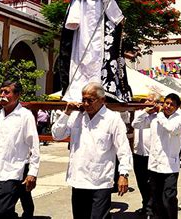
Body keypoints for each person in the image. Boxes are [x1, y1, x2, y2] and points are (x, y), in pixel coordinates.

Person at [59, 0, 133, 103]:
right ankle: (76, 90)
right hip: (82, 28)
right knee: (79, 57)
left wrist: (118, 18)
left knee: (97, 56)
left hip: (101, 29)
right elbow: (76, 2)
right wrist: (73, 20)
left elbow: (108, 1)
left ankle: (99, 90)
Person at [51, 82, 132, 219]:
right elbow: (57, 135)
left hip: (100, 180)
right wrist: (67, 113)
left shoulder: (113, 119)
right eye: (84, 100)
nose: (86, 104)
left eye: (90, 100)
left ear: (102, 100)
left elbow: (123, 148)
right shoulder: (77, 116)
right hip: (78, 179)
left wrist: (123, 174)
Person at [0, 80, 40, 218]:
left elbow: (34, 146)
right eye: (1, 91)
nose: (2, 95)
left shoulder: (25, 116)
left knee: (3, 213)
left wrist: (32, 173)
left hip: (11, 173)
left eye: (7, 92)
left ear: (17, 95)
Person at [133, 93, 181, 219]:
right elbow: (136, 124)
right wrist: (146, 111)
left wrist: (160, 114)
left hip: (169, 165)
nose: (168, 106)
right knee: (156, 198)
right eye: (166, 103)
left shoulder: (180, 118)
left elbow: (170, 128)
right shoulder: (154, 117)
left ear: (177, 107)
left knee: (169, 197)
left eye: (172, 105)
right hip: (154, 164)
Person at [130, 93, 161, 216]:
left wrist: (156, 111)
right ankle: (146, 204)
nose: (147, 102)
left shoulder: (159, 117)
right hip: (138, 153)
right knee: (141, 182)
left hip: (152, 154)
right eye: (146, 100)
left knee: (152, 183)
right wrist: (145, 112)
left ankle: (151, 208)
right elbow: (135, 124)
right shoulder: (140, 113)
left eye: (150, 100)